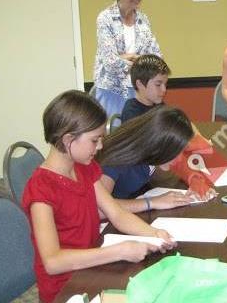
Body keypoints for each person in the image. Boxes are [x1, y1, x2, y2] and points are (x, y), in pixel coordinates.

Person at [22, 90, 176, 303]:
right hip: (66, 289)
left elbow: (116, 213)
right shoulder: (41, 189)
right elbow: (53, 261)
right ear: (68, 139)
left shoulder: (84, 168)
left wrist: (153, 233)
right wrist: (119, 251)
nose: (101, 146)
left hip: (93, 268)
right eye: (95, 140)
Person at [99, 105, 216, 211]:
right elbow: (100, 208)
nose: (180, 158)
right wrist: (152, 202)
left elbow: (179, 164)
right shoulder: (115, 161)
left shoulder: (151, 149)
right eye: (176, 152)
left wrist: (194, 179)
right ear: (159, 144)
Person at [93, 0, 162, 118]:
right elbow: (110, 63)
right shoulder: (106, 18)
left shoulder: (143, 20)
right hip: (112, 91)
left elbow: (157, 58)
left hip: (138, 91)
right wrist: (140, 62)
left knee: (137, 136)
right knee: (115, 137)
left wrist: (126, 57)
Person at [121, 54, 170, 122]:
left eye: (165, 84)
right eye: (158, 84)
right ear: (140, 84)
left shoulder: (161, 107)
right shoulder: (131, 112)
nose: (164, 90)